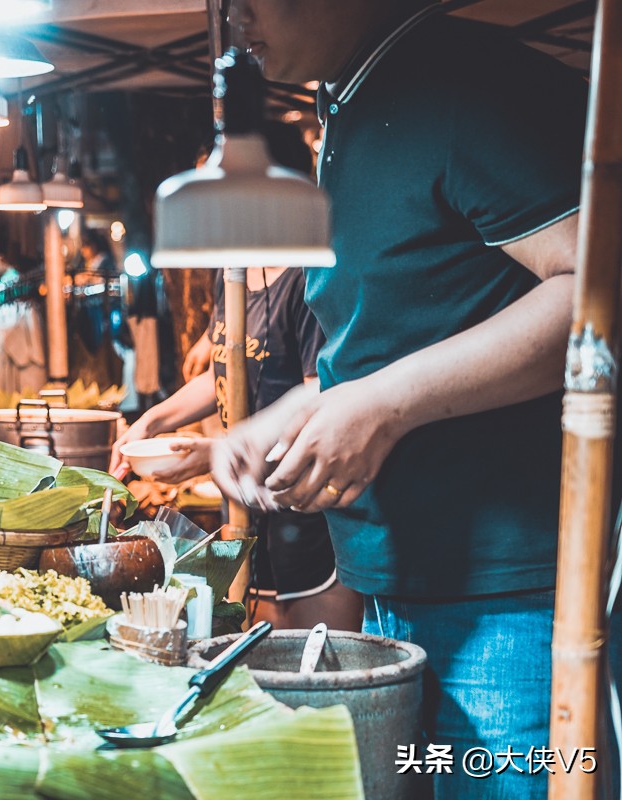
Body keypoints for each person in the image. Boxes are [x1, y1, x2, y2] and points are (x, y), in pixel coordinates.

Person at [213, 3, 602, 797]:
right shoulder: (349, 103)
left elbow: (598, 293)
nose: (234, 15)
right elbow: (415, 326)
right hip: (402, 582)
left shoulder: (461, 81)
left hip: (510, 597)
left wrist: (384, 405)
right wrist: (302, 407)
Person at [113, 266, 362, 631]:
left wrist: (218, 452)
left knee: (305, 650)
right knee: (252, 641)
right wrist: (151, 422)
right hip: (242, 501)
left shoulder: (306, 279)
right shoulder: (232, 274)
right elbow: (226, 369)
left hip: (303, 503)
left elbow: (320, 401)